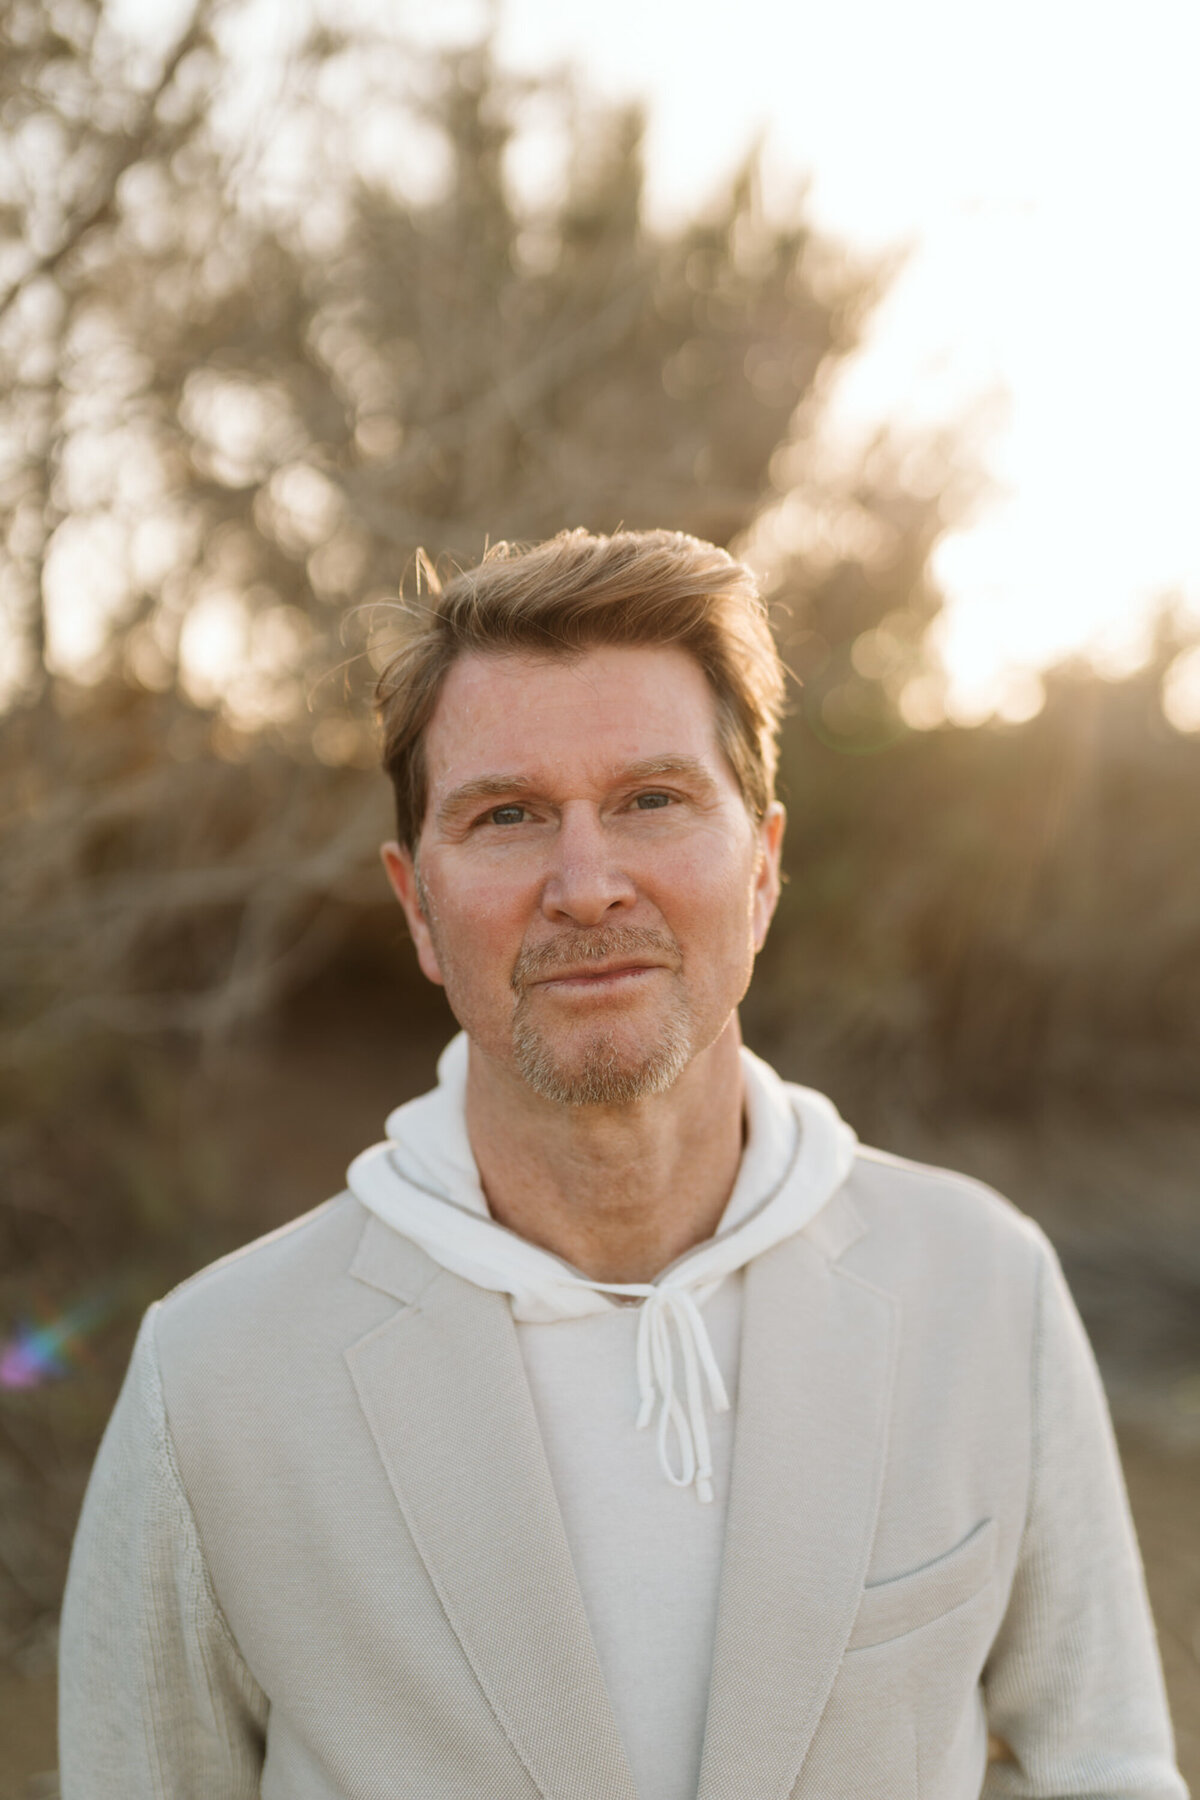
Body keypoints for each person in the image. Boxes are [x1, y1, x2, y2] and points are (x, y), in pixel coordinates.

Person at [59, 529, 1186, 1800]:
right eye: (508, 815)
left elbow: (1105, 1766)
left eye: (652, 799)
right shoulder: (211, 1376)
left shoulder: (985, 1287)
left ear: (762, 870)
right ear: (419, 906)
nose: (586, 886)